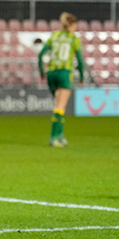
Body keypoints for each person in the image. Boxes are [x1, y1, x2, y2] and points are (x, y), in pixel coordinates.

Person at [38, 12, 86, 147]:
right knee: (60, 106)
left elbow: (41, 55)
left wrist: (42, 72)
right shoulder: (73, 39)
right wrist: (81, 76)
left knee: (58, 105)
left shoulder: (54, 36)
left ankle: (60, 135)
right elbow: (80, 61)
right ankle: (53, 137)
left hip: (51, 73)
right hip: (64, 73)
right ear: (72, 25)